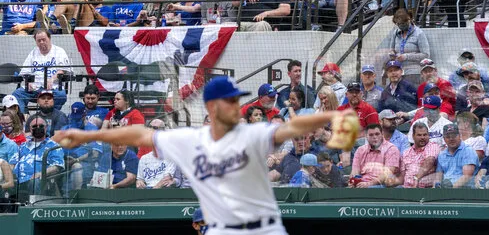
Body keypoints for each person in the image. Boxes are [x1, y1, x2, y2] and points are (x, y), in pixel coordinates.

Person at [55, 76, 344, 234]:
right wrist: (88, 135)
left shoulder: (251, 134)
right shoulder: (189, 140)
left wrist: (332, 116)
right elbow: (139, 135)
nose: (235, 106)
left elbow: (293, 127)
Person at [12, 29, 69, 113]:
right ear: (36, 42)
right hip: (35, 88)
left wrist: (52, 79)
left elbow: (62, 70)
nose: (42, 42)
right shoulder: (33, 53)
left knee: (61, 96)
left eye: (44, 39)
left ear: (49, 39)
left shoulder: (59, 51)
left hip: (53, 87)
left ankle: (50, 116)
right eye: (39, 40)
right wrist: (28, 82)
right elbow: (25, 72)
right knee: (17, 94)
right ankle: (25, 118)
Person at [10, 116, 64, 195]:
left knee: (34, 182)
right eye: (34, 126)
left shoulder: (53, 146)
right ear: (30, 129)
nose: (38, 128)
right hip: (17, 180)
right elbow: (12, 163)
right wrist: (9, 174)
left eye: (41, 126)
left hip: (36, 180)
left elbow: (57, 166)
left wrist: (40, 174)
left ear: (46, 128)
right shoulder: (23, 145)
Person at [386, 121, 440, 188]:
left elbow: (429, 161)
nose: (422, 137)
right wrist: (393, 181)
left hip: (424, 188)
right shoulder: (406, 153)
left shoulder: (432, 146)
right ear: (413, 136)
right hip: (406, 188)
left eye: (425, 135)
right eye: (419, 135)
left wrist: (416, 178)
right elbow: (402, 177)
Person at [387, 8, 430, 85]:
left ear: (410, 19)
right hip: (397, 72)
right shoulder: (395, 33)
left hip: (414, 72)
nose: (401, 26)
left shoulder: (419, 33)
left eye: (403, 23)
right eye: (398, 24)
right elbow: (391, 49)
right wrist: (392, 54)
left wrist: (406, 57)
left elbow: (426, 55)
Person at [434, 124, 479, 188]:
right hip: (445, 188)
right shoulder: (442, 155)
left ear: (459, 136)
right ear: (444, 139)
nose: (451, 139)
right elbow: (438, 177)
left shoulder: (468, 151)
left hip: (464, 190)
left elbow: (467, 177)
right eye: (448, 137)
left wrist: (450, 190)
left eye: (454, 136)